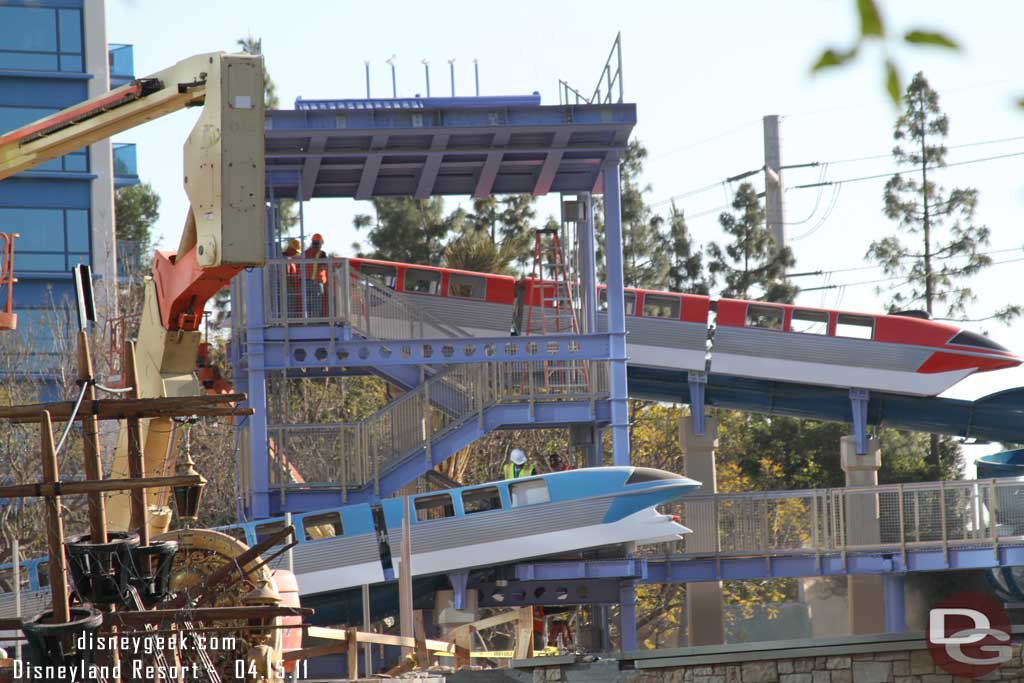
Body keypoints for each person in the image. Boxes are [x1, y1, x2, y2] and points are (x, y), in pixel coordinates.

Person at [303, 233, 328, 317]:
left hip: (305, 282)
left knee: (307, 304)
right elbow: (325, 266)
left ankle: (306, 321)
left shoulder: (305, 253)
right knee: (316, 304)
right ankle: (315, 321)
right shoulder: (321, 254)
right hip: (316, 282)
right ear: (320, 243)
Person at [283, 239, 302, 318]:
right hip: (288, 288)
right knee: (289, 307)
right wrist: (291, 287)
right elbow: (286, 275)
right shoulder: (285, 259)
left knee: (291, 307)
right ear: (290, 249)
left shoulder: (290, 259)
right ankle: (288, 321)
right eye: (295, 251)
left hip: (290, 287)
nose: (295, 253)